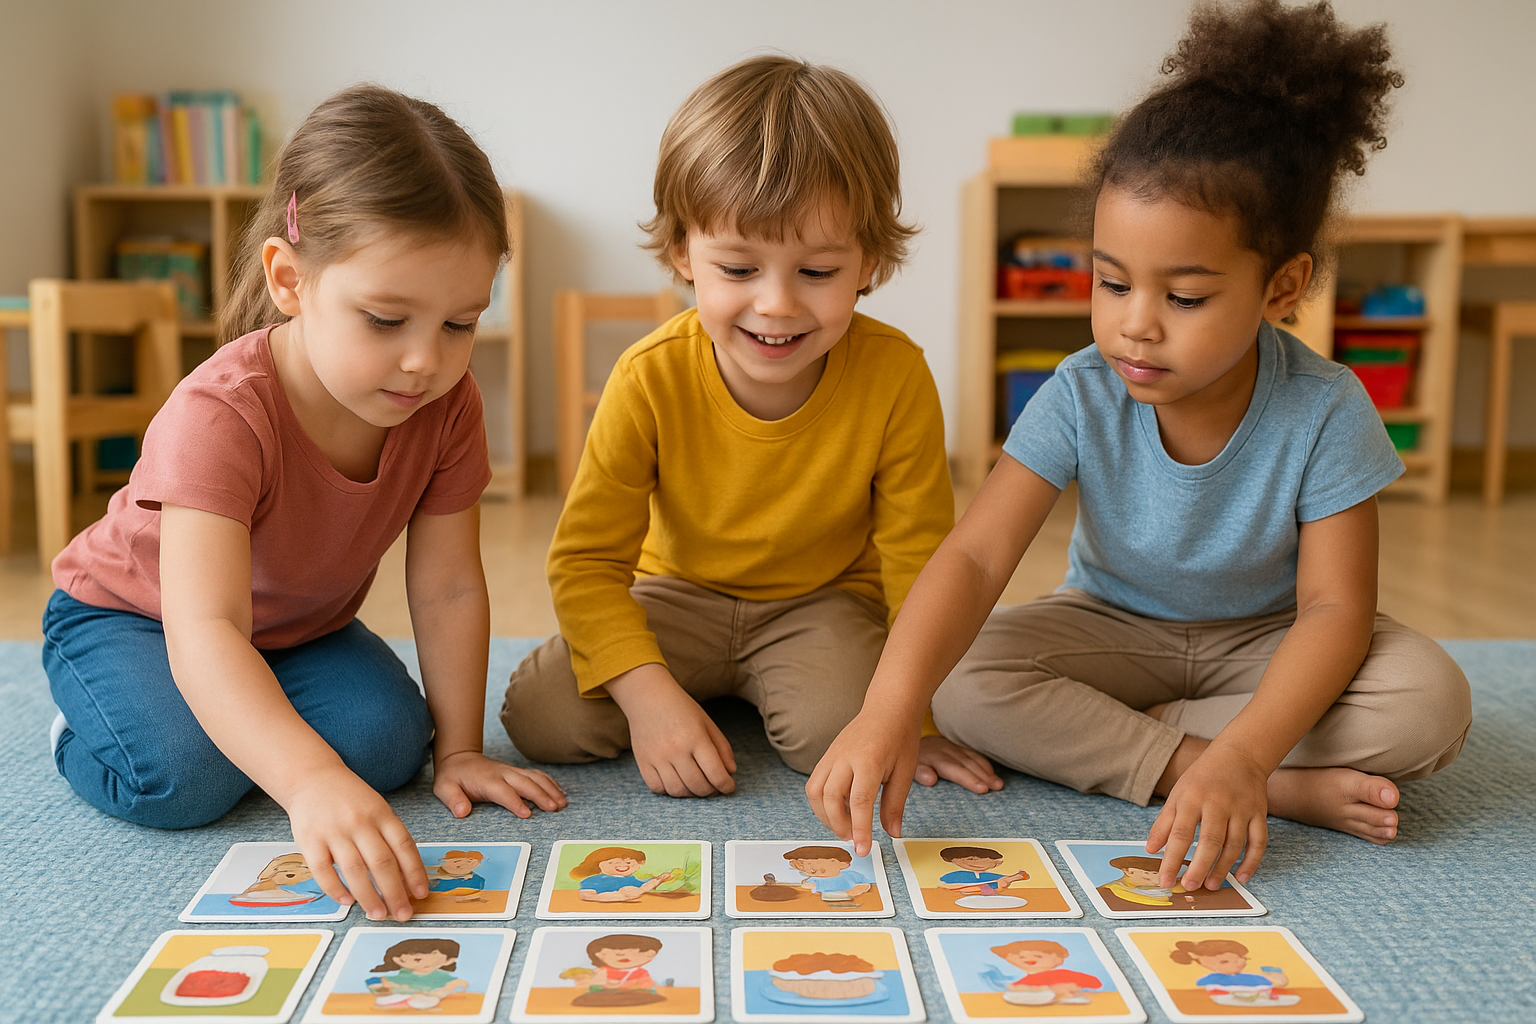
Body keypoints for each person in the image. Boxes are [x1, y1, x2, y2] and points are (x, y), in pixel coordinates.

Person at [808, 0, 1472, 892]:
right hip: (1111, 628)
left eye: (1186, 297)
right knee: (962, 681)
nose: (1135, 326)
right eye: (1111, 281)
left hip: (1266, 643)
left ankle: (1212, 758)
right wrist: (889, 709)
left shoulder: (1327, 407)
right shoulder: (1082, 390)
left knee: (1431, 703)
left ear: (1283, 287)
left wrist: (1244, 746)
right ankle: (1267, 783)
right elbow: (974, 556)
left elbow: (1333, 614)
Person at [42, 85, 566, 925]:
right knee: (180, 779)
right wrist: (307, 781)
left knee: (393, 745)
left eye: (460, 324)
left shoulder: (448, 407)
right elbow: (205, 627)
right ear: (290, 280)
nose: (424, 363)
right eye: (387, 319)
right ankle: (84, 728)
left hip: (294, 631)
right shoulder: (221, 412)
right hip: (135, 619)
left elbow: (448, 589)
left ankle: (254, 722)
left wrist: (461, 749)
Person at [499, 54, 997, 799]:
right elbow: (587, 564)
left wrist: (914, 720)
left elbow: (920, 563)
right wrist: (649, 698)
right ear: (682, 254)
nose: (776, 305)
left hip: (824, 600)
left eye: (817, 273)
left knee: (841, 731)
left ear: (868, 262)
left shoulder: (897, 375)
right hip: (676, 596)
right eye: (738, 269)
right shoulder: (649, 376)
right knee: (541, 717)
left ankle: (749, 693)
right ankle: (700, 697)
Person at [368, 937, 469, 1010]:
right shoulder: (405, 973)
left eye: (417, 959)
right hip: (401, 994)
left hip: (428, 996)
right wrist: (389, 985)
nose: (412, 963)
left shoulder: (440, 975)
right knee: (376, 983)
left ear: (448, 961)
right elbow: (390, 982)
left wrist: (448, 987)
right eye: (402, 960)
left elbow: (458, 984)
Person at [937, 846, 1029, 895]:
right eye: (972, 859)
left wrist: (1006, 882)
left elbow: (998, 884)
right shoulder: (955, 876)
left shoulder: (991, 877)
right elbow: (944, 885)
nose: (978, 864)